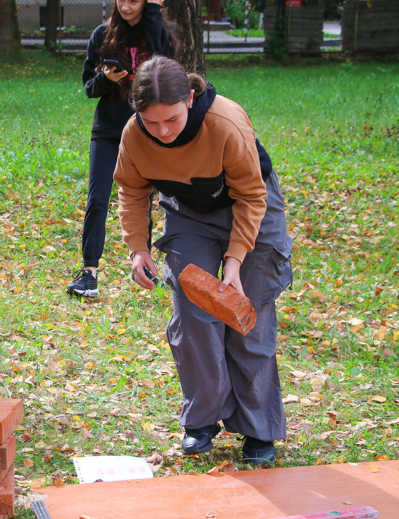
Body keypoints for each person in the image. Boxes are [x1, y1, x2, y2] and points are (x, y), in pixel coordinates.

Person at [115, 56, 293, 464]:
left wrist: (234, 261)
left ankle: (258, 428)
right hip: (189, 212)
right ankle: (202, 418)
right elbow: (131, 189)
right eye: (151, 122)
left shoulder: (225, 123)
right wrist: (138, 247)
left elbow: (252, 195)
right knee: (193, 313)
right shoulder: (134, 135)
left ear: (190, 98)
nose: (161, 132)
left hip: (250, 209)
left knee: (248, 315)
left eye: (172, 120)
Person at [66, 0, 174, 298]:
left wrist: (152, 11)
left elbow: (165, 63)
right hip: (108, 130)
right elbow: (89, 86)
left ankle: (144, 268)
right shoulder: (102, 35)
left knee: (143, 198)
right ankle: (89, 273)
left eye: (135, 0)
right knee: (97, 199)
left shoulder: (158, 33)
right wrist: (105, 79)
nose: (127, 6)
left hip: (146, 130)